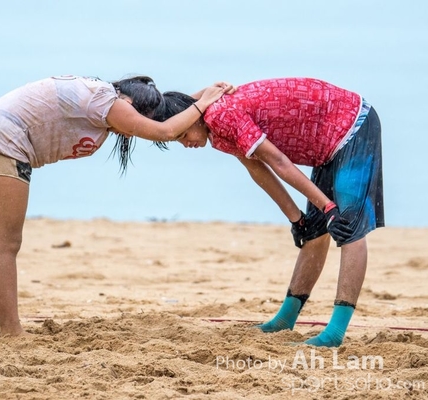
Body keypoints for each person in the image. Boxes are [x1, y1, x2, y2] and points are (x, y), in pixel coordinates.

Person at [0, 74, 231, 337]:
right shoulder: (110, 102)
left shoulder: (106, 101)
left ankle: (11, 329)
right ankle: (11, 332)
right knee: (4, 245)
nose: (133, 127)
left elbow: (161, 112)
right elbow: (165, 130)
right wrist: (203, 102)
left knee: (4, 244)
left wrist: (199, 94)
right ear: (129, 104)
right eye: (135, 117)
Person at [153, 77, 384, 347]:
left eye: (182, 135)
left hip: (352, 124)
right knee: (314, 232)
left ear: (193, 117)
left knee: (348, 230)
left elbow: (279, 161)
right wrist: (296, 218)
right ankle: (285, 320)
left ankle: (335, 332)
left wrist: (329, 208)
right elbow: (258, 168)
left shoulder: (221, 115)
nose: (185, 144)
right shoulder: (214, 130)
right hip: (327, 144)